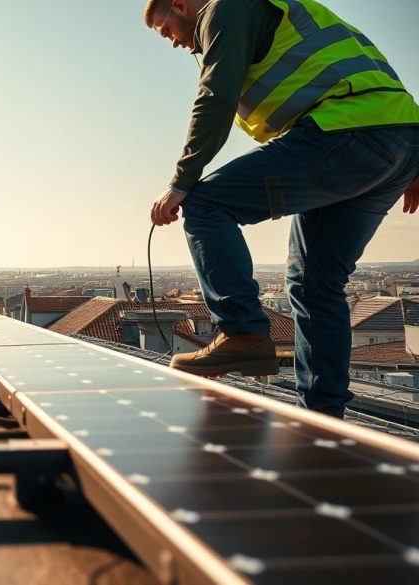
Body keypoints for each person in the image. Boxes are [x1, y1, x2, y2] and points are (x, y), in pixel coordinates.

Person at [144, 0, 419, 418]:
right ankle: (323, 416)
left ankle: (242, 332)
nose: (175, 43)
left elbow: (215, 96)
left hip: (342, 132)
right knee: (315, 283)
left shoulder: (224, 8)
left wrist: (181, 182)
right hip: (396, 144)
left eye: (167, 31)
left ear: (180, 4)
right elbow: (372, 73)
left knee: (205, 201)